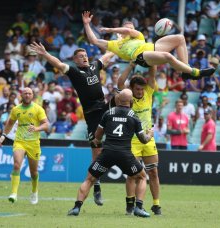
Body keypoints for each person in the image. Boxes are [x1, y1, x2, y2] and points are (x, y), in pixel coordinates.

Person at [30, 42, 116, 206]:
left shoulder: (95, 66)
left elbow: (108, 55)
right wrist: (45, 54)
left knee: (123, 95)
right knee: (96, 154)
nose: (85, 57)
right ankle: (96, 185)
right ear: (75, 60)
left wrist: (120, 44)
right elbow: (60, 64)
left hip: (104, 107)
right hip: (91, 115)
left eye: (85, 55)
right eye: (81, 56)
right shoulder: (75, 71)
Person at [67, 89, 153, 217]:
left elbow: (97, 135)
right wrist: (150, 134)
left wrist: (96, 141)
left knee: (89, 179)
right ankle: (138, 207)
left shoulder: (108, 113)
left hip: (107, 153)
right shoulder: (134, 116)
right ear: (131, 101)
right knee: (141, 177)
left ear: (118, 100)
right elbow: (143, 140)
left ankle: (76, 207)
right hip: (125, 155)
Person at [82, 11, 215, 81]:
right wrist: (87, 24)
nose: (130, 29)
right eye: (127, 27)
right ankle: (195, 72)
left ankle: (186, 72)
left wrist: (111, 30)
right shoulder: (114, 44)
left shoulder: (138, 35)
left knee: (180, 38)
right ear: (120, 31)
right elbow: (94, 40)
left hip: (153, 48)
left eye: (132, 27)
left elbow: (128, 31)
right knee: (168, 56)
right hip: (141, 58)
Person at [118, 63, 162, 215]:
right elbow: (120, 83)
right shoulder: (127, 98)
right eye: (137, 89)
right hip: (132, 140)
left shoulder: (148, 92)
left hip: (148, 139)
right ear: (131, 89)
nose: (140, 91)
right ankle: (130, 204)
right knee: (133, 175)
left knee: (154, 173)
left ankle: (156, 205)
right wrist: (131, 64)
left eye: (142, 89)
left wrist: (150, 57)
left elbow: (152, 73)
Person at [0, 87, 49, 204]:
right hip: (20, 141)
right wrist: (3, 136)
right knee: (16, 165)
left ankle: (34, 191)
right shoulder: (16, 109)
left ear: (32, 96)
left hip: (33, 143)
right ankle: (14, 193)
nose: (27, 95)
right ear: (21, 95)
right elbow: (10, 123)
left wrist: (37, 128)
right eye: (25, 93)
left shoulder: (38, 109)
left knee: (33, 172)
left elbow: (46, 125)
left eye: (29, 93)